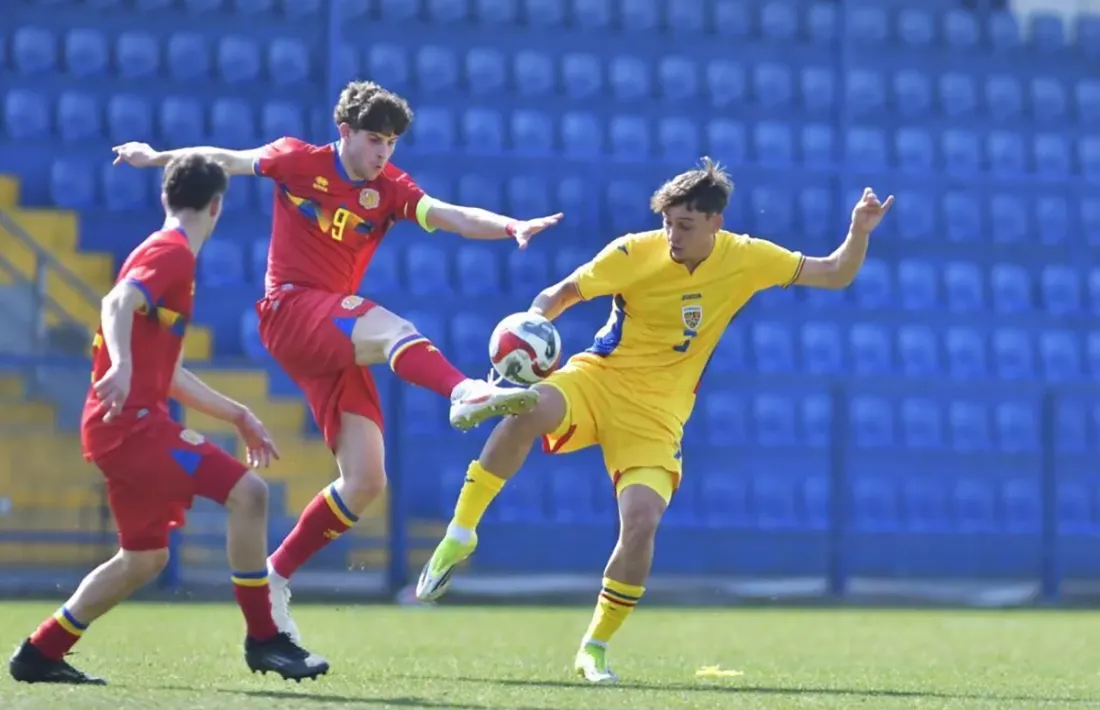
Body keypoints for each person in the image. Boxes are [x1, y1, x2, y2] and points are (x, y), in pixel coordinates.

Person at [110, 80, 562, 642]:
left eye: (392, 143)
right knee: (396, 329)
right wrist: (155, 157)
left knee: (367, 480)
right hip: (291, 310)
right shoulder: (297, 160)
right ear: (344, 132)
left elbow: (450, 214)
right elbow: (225, 160)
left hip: (335, 333)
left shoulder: (391, 188)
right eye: (374, 139)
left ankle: (273, 575)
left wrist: (509, 226)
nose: (383, 154)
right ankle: (463, 390)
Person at [415, 158, 895, 683]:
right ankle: (460, 533)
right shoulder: (632, 251)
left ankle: (594, 648)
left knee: (642, 525)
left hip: (658, 414)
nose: (671, 235)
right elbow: (559, 294)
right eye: (667, 222)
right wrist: (532, 327)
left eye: (684, 225)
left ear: (716, 223)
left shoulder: (747, 257)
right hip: (597, 379)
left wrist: (858, 231)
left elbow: (835, 272)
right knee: (530, 410)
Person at [8, 155, 330, 685]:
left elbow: (171, 371)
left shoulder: (165, 254)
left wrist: (239, 413)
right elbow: (116, 303)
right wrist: (124, 364)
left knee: (144, 558)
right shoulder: (172, 252)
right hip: (130, 423)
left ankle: (40, 652)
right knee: (249, 493)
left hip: (121, 423)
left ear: (166, 197)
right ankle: (265, 639)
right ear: (217, 206)